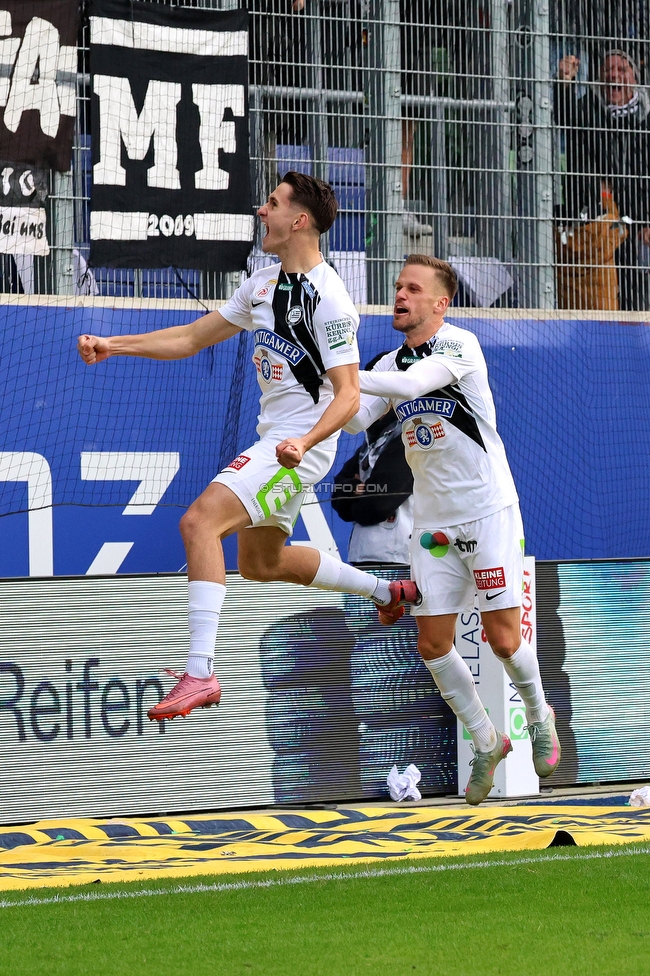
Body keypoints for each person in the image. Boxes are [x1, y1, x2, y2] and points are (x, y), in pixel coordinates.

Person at [77, 172, 416, 722]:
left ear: (299, 220)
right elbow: (191, 338)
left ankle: (200, 672)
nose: (263, 211)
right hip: (277, 442)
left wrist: (303, 442)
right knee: (262, 562)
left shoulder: (330, 299)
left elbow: (349, 393)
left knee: (198, 523)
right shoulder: (260, 283)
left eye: (274, 203)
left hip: (299, 448)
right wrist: (113, 344)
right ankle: (385, 591)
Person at [345, 254, 561, 805]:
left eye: (414, 289)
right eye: (397, 287)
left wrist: (342, 373)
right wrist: (317, 384)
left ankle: (539, 714)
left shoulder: (459, 347)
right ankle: (487, 740)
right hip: (434, 525)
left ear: (441, 303)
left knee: (503, 639)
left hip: (488, 511)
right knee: (433, 644)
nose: (401, 295)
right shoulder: (387, 361)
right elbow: (354, 415)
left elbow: (416, 383)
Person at [332, 353, 414, 565]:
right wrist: (354, 488)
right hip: (361, 556)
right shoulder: (369, 441)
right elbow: (336, 495)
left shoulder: (409, 440)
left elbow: (377, 505)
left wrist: (359, 497)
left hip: (398, 560)